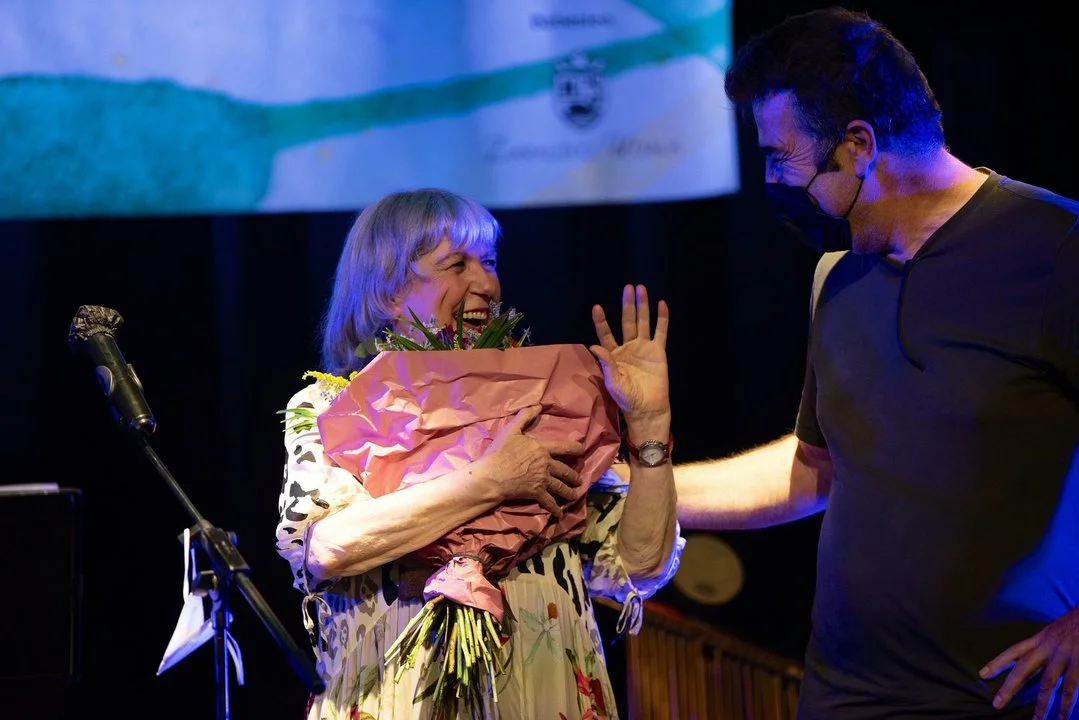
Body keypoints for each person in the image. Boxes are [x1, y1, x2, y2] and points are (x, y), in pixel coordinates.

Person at [673, 7, 1079, 719]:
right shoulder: (836, 277)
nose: (773, 181)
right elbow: (815, 469)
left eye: (781, 157)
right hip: (843, 695)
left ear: (858, 143)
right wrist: (631, 488)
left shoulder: (1056, 247)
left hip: (1000, 699)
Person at [274, 188, 683, 719]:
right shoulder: (332, 406)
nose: (486, 284)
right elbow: (329, 547)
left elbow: (638, 565)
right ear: (389, 291)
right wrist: (493, 478)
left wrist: (650, 424)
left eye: (488, 262)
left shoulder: (543, 401)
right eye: (456, 264)